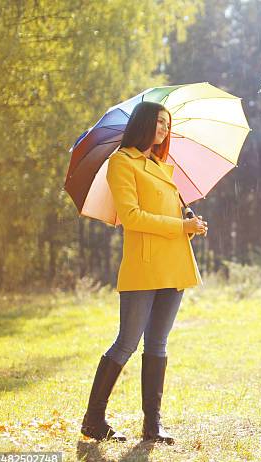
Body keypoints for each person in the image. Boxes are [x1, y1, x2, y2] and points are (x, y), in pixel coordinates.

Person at [80, 101, 208, 444]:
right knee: (126, 342)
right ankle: (93, 419)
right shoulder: (122, 163)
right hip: (144, 264)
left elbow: (171, 213)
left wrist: (191, 224)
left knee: (158, 343)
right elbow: (132, 217)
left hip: (175, 263)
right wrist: (181, 226)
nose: (165, 130)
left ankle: (153, 425)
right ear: (143, 124)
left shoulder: (160, 165)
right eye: (160, 123)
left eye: (168, 124)